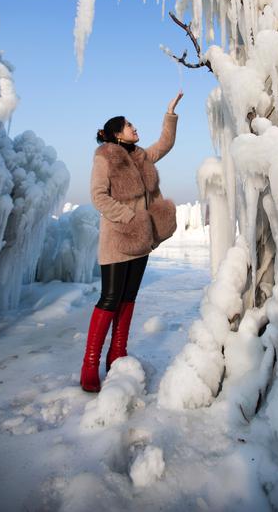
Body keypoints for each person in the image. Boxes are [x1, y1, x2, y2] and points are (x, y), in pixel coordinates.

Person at [80, 91, 183, 392]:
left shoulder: (140, 157)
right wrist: (129, 217)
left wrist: (170, 113)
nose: (135, 128)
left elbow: (165, 143)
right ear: (116, 133)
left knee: (128, 298)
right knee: (110, 299)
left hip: (141, 240)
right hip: (116, 241)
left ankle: (117, 354)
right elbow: (98, 196)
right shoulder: (105, 157)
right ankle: (90, 363)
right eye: (129, 125)